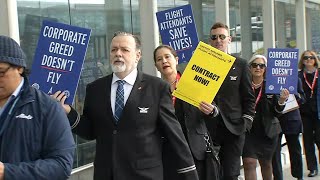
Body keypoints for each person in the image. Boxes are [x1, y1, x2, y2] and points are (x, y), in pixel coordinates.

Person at [53, 31, 199, 180]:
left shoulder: (157, 88)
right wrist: (68, 112)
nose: (118, 53)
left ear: (137, 55)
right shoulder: (95, 89)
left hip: (145, 175)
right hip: (107, 174)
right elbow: (90, 131)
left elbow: (174, 135)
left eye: (125, 49)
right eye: (114, 49)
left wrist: (189, 173)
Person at [0, 35, 75, 179]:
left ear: (20, 68)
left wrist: (7, 172)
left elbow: (61, 166)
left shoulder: (48, 108)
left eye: (1, 72)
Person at [153, 44, 219, 180]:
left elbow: (214, 109)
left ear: (176, 60)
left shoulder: (193, 82)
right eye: (159, 59)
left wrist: (212, 111)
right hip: (169, 152)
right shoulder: (154, 90)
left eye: (167, 57)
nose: (164, 61)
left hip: (196, 149)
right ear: (156, 66)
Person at [207, 22, 256, 180]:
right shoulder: (202, 64)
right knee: (212, 173)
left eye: (222, 36)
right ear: (210, 41)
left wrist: (246, 123)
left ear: (229, 39)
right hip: (209, 128)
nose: (218, 40)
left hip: (234, 129)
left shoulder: (241, 65)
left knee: (230, 174)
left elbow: (249, 98)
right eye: (214, 37)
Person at [242, 54, 289, 180]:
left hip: (267, 132)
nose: (258, 68)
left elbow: (277, 112)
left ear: (265, 69)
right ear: (249, 67)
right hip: (248, 131)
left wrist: (282, 101)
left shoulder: (271, 86)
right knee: (249, 162)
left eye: (261, 65)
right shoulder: (244, 85)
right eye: (254, 65)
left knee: (266, 163)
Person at [272, 79, 305, 180]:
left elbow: (303, 99)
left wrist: (296, 95)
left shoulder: (295, 79)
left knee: (295, 149)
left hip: (291, 118)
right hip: (275, 119)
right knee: (275, 152)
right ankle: (278, 177)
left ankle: (299, 175)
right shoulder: (270, 79)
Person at [298, 50, 320, 177]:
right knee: (307, 141)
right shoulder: (299, 75)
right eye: (306, 58)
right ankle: (312, 168)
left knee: (319, 138)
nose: (308, 60)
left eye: (311, 57)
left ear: (315, 59)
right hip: (304, 112)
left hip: (318, 112)